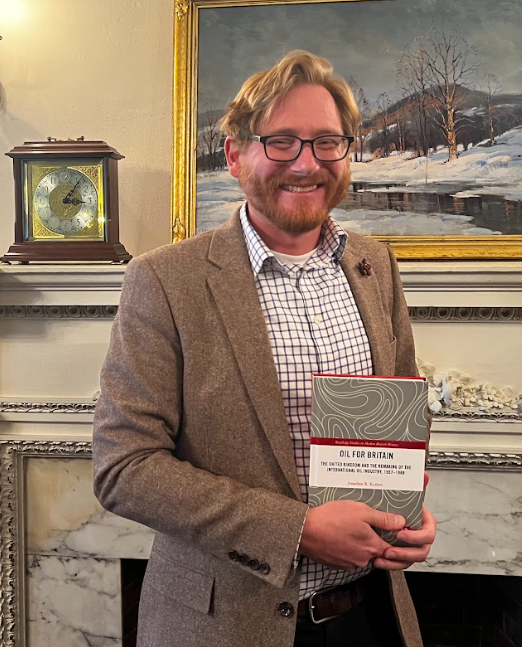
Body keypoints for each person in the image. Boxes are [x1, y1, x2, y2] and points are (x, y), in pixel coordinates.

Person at [93, 50, 436, 647]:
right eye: (282, 142)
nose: (307, 163)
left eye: (327, 142)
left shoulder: (375, 267)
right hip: (223, 627)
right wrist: (297, 530)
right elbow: (125, 468)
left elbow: (401, 425)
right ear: (234, 154)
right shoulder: (165, 282)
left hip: (368, 618)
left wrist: (406, 514)